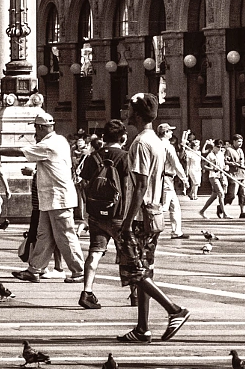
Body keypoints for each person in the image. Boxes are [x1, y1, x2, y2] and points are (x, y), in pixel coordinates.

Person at [117, 94, 190, 344]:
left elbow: (140, 186)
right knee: (145, 272)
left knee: (135, 272)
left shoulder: (139, 143)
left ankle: (174, 310)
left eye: (129, 108)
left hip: (139, 216)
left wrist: (126, 223)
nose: (126, 112)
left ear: (137, 115)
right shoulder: (158, 142)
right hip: (154, 213)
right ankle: (142, 329)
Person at [14, 112, 85, 283]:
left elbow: (18, 151)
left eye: (35, 130)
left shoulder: (48, 145)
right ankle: (35, 269)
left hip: (58, 198)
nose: (34, 134)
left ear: (40, 127)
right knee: (44, 235)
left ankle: (79, 270)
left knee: (65, 235)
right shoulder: (60, 140)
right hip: (49, 199)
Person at [77, 119, 126, 310]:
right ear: (123, 137)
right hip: (118, 214)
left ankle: (87, 292)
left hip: (97, 214)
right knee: (128, 254)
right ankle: (135, 293)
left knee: (95, 253)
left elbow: (84, 184)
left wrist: (87, 211)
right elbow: (128, 187)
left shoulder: (93, 157)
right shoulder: (125, 156)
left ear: (104, 137)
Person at [157, 121, 187, 237]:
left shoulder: (156, 144)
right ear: (165, 132)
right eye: (170, 131)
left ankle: (176, 231)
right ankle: (150, 228)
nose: (172, 133)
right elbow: (176, 164)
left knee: (175, 206)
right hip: (166, 179)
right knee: (163, 206)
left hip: (163, 178)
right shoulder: (167, 146)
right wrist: (184, 179)